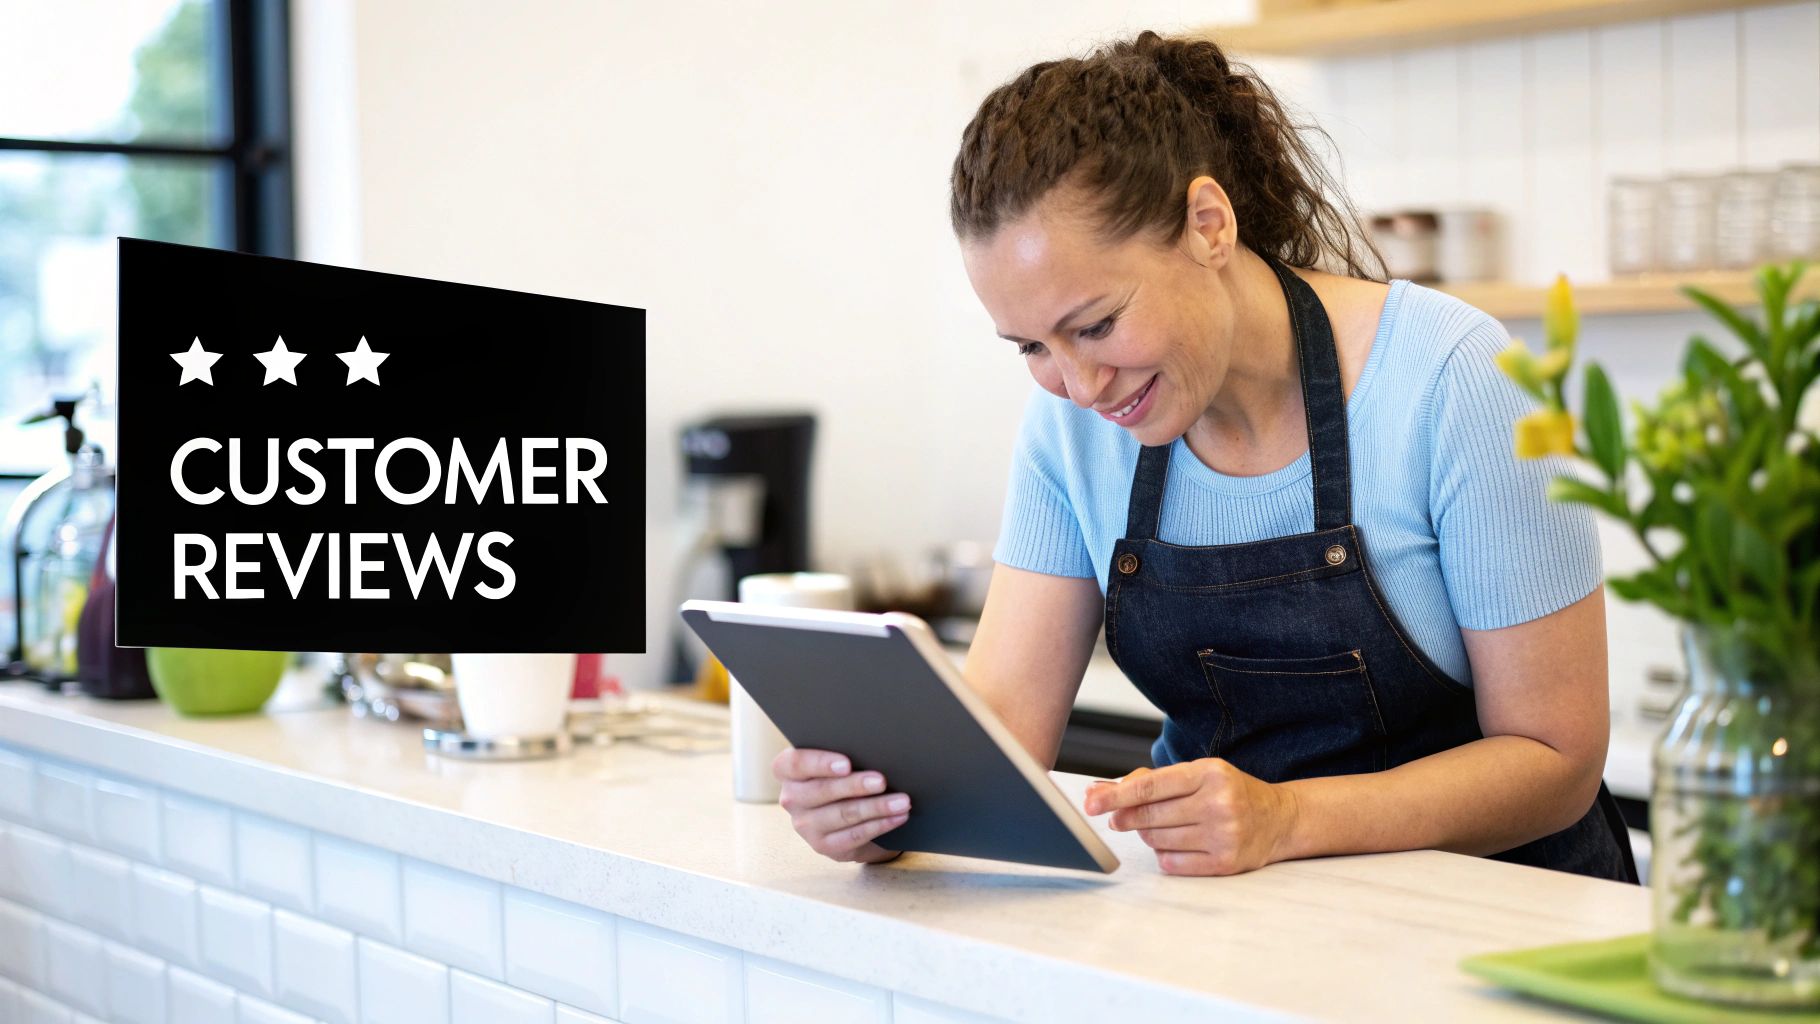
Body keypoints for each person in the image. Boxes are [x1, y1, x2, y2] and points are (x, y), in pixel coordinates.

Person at [774, 29, 1636, 882]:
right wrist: (881, 812)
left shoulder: (1458, 381)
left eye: (1097, 324)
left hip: (1505, 931)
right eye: (1030, 347)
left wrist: (1287, 817)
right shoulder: (1069, 431)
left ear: (1209, 225)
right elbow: (998, 740)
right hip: (1245, 934)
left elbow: (1555, 761)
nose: (1078, 384)